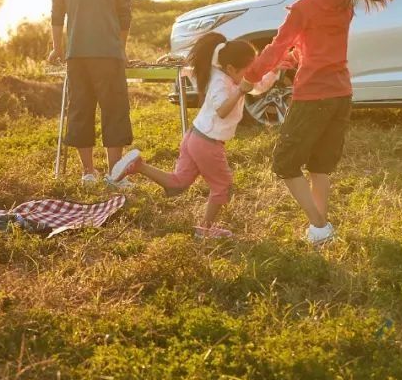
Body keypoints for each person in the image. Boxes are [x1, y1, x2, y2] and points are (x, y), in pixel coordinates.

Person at [240, 0, 395, 245]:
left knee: (285, 162)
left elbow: (276, 47)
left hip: (314, 94)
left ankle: (320, 223)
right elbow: (318, 45)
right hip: (341, 94)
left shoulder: (304, 7)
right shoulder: (343, 2)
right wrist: (297, 57)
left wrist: (250, 78)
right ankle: (318, 234)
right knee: (319, 165)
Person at [107, 32, 278, 238]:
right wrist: (240, 90)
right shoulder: (219, 83)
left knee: (178, 184)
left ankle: (138, 165)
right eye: (248, 70)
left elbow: (257, 86)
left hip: (195, 137)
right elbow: (222, 110)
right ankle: (205, 229)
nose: (252, 74)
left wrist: (275, 69)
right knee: (222, 186)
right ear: (232, 69)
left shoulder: (229, 75)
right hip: (207, 143)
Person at [48, 0, 133, 184]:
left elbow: (56, 13)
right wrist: (121, 49)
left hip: (76, 53)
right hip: (108, 53)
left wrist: (58, 48)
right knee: (114, 110)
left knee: (80, 109)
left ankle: (88, 173)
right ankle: (115, 173)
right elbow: (124, 15)